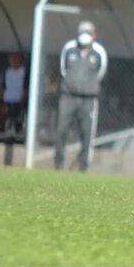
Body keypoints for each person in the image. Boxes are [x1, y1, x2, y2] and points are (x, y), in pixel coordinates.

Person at [54, 21, 108, 171]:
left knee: (86, 133)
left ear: (94, 34)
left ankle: (83, 165)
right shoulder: (69, 49)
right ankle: (58, 162)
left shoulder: (99, 52)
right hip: (68, 96)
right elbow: (63, 69)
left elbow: (100, 73)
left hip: (89, 98)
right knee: (61, 129)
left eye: (89, 32)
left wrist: (88, 86)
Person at [0, 52, 28, 139]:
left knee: (16, 115)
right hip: (7, 100)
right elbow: (3, 88)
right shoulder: (7, 71)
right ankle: (8, 131)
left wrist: (23, 100)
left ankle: (15, 131)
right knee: (6, 115)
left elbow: (25, 88)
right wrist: (0, 102)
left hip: (19, 101)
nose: (13, 60)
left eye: (16, 58)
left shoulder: (24, 72)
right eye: (11, 58)